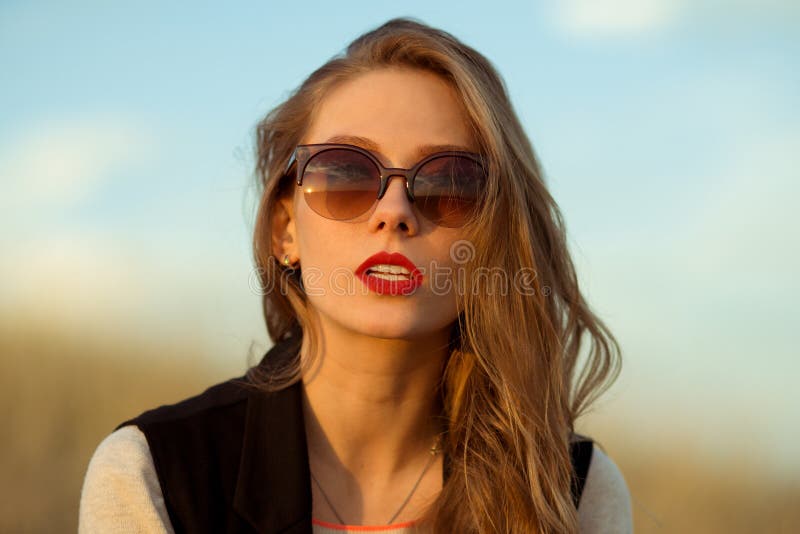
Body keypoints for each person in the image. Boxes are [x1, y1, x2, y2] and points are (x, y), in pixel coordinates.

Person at [79, 17, 632, 534]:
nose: (394, 211)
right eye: (345, 173)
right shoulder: (156, 474)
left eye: (449, 184)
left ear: (497, 239)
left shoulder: (574, 492)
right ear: (284, 230)